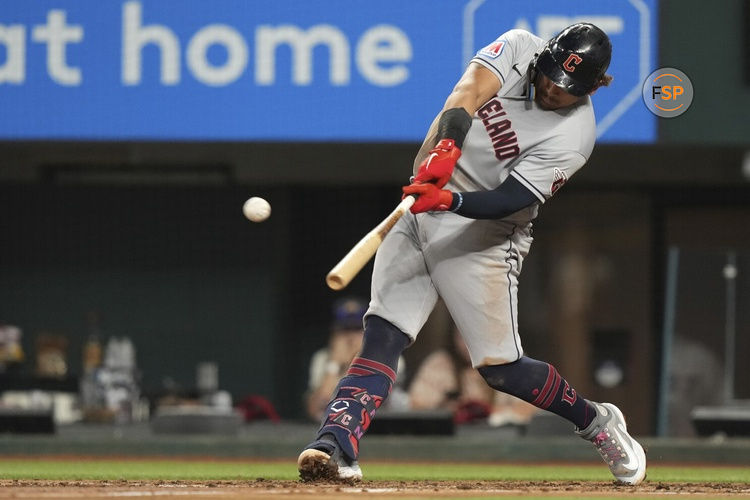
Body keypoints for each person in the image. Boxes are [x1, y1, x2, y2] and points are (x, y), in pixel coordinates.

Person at [297, 23, 646, 485]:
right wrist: (447, 148)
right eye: (549, 76)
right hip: (421, 207)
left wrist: (449, 200)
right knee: (384, 332)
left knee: (502, 372)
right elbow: (467, 92)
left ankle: (596, 421)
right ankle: (335, 444)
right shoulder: (521, 46)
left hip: (485, 235)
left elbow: (510, 199)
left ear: (590, 88)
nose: (550, 88)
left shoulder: (575, 135)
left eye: (565, 88)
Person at [409, 326, 537, 427]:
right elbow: (416, 408)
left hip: (501, 442)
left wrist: (485, 412)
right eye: (463, 335)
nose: (469, 343)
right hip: (451, 444)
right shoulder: (439, 364)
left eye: (476, 335)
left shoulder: (511, 361)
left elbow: (531, 409)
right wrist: (454, 412)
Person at [305, 297, 407, 422]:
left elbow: (362, 403)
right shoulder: (323, 359)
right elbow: (317, 409)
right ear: (334, 333)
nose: (351, 337)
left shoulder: (390, 358)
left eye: (357, 329)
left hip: (380, 432)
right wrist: (335, 363)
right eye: (345, 330)